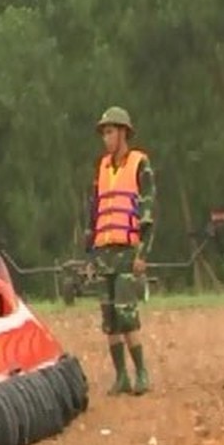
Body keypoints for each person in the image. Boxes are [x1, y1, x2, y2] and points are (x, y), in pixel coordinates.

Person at [87, 106, 155, 395]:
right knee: (109, 318)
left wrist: (142, 254)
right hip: (104, 252)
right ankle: (121, 377)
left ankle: (141, 373)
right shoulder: (101, 167)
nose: (106, 137)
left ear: (124, 132)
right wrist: (89, 255)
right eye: (104, 132)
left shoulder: (140, 164)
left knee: (126, 313)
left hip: (127, 250)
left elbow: (149, 211)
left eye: (110, 131)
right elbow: (93, 213)